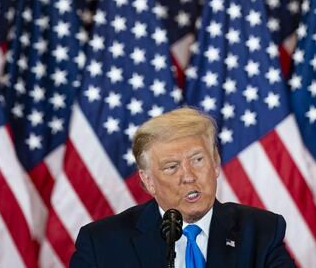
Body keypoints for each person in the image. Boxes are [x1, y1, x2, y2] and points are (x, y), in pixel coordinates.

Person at [69, 107, 295, 267]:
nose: (188, 177)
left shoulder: (261, 231)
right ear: (148, 181)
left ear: (215, 163)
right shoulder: (102, 243)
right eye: (171, 167)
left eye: (198, 160)